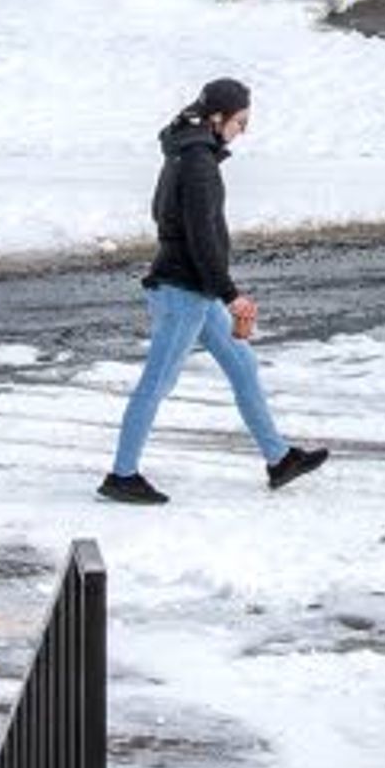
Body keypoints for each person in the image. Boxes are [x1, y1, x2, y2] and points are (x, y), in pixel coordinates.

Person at [100, 77, 326, 504]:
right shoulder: (198, 163)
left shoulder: (183, 153)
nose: (244, 129)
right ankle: (121, 475)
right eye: (241, 121)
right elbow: (202, 235)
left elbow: (162, 214)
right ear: (218, 118)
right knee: (157, 383)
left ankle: (279, 459)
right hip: (184, 292)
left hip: (191, 289)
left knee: (243, 366)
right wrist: (229, 293)